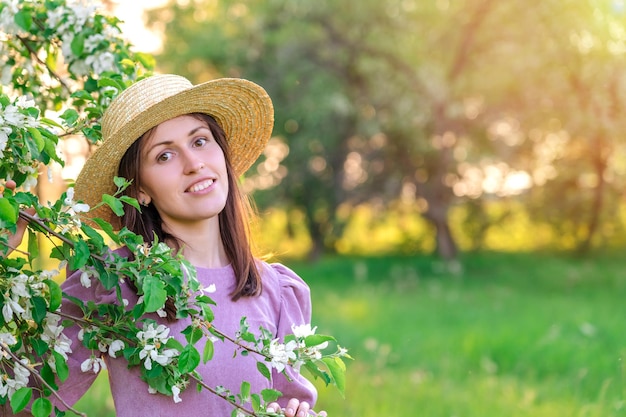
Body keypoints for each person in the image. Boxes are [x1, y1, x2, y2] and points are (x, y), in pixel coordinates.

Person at [4, 74, 324, 417]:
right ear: (139, 189)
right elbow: (20, 404)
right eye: (165, 156)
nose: (194, 163)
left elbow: (285, 403)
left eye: (200, 141)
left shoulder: (277, 291)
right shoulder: (112, 282)